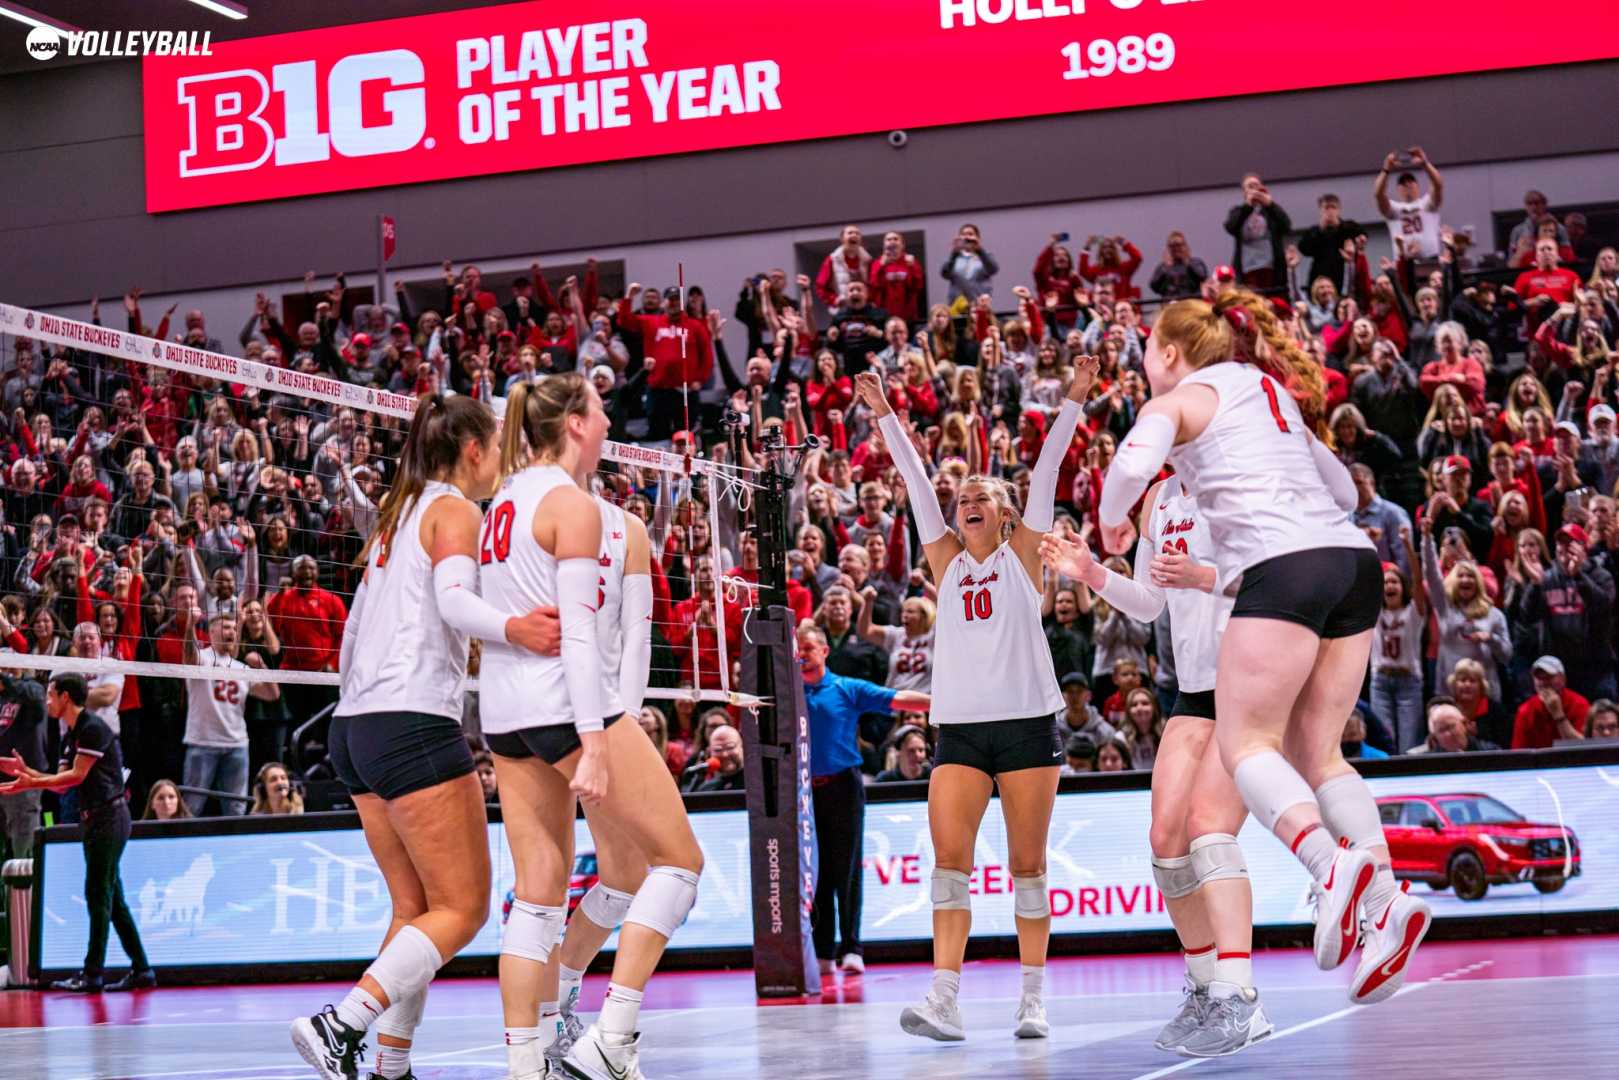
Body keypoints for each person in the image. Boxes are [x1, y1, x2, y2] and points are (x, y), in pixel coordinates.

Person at [1097, 288, 1428, 1007]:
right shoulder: (1269, 392)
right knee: (1320, 753)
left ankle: (1329, 867)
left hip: (1284, 569)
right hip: (1355, 565)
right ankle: (1388, 904)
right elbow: (1341, 487)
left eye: (1146, 348)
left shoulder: (1181, 398)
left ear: (1169, 353)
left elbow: (1128, 467)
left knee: (1247, 744)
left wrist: (1110, 522)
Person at [290, 395, 556, 1080]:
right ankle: (341, 1022)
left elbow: (353, 633)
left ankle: (392, 1065)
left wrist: (359, 701)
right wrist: (515, 627)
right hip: (410, 722)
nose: (500, 458)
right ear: (471, 449)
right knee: (464, 909)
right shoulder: (452, 510)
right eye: (495, 445)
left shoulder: (394, 515)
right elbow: (453, 603)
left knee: (415, 910)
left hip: (354, 726)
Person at [862, 353, 1094, 1044]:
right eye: (961, 494)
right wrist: (883, 416)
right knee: (948, 866)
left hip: (1026, 724)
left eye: (980, 495)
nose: (965, 499)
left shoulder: (1025, 557)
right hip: (959, 730)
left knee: (1028, 867)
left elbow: (1047, 470)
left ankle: (1031, 999)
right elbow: (911, 482)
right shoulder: (946, 563)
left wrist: (1076, 398)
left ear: (1005, 514)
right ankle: (944, 998)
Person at [481, 376, 703, 1080]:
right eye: (601, 411)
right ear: (575, 423)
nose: (611, 421)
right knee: (680, 864)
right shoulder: (570, 505)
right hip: (570, 706)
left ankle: (529, 1063)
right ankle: (612, 1035)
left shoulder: (501, 503)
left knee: (540, 890)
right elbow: (578, 635)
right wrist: (600, 738)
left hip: (505, 713)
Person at [1043, 467, 1271, 1057]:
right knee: (1166, 845)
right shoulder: (1160, 500)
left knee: (1207, 834)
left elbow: (1283, 580)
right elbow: (1148, 605)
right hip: (1193, 689)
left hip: (1251, 682)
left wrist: (1206, 576)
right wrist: (1092, 572)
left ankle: (1240, 994)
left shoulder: (1239, 484)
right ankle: (1204, 987)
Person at [0, 674, 153, 992]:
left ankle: (92, 973)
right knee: (114, 900)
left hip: (109, 817)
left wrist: (32, 782)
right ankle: (142, 970)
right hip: (96, 818)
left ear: (65, 697)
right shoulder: (73, 733)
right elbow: (62, 777)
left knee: (98, 895)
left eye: (51, 695)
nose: (47, 701)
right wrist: (27, 773)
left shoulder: (93, 728)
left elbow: (76, 776)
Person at [800, 623, 931, 974]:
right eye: (798, 649)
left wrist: (945, 702)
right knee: (818, 872)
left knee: (847, 869)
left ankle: (852, 947)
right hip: (805, 791)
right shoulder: (790, 695)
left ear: (824, 651)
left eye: (809, 648)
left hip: (844, 787)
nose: (802, 655)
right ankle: (824, 951)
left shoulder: (846, 688)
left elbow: (898, 698)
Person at [0, 665, 47, 857]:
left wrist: (9, 680)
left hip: (22, 782)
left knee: (24, 851)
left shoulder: (33, 688)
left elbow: (36, 700)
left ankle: (25, 887)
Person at [1223, 175, 1291, 293]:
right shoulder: (1238, 210)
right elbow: (1230, 227)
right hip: (1247, 268)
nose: (1254, 189)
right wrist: (1248, 206)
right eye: (1250, 186)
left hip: (1271, 266)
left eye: (1256, 185)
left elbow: (1286, 226)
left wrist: (1270, 205)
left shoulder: (1270, 210)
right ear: (1244, 192)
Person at [1374, 148, 1445, 261]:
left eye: (1411, 181)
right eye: (1403, 183)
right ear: (1398, 189)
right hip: (1404, 261)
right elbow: (1378, 194)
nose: (1407, 185)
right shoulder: (1394, 209)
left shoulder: (1427, 203)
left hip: (1430, 259)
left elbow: (1438, 185)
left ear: (1418, 185)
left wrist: (1425, 164)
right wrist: (1386, 169)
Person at [1511, 656, 1590, 749]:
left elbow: (1584, 749)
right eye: (1539, 678)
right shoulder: (1525, 711)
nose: (1544, 683)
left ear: (1563, 678)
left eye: (1549, 677)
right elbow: (1519, 753)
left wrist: (1558, 715)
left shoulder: (1580, 704)